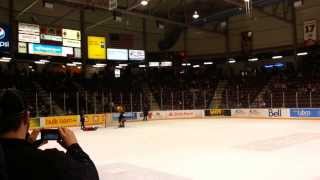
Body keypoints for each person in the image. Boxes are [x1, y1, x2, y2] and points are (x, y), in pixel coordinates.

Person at [0, 89, 99, 180]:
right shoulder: (50, 161)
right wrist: (74, 147)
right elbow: (90, 176)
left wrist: (28, 145)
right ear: (26, 117)